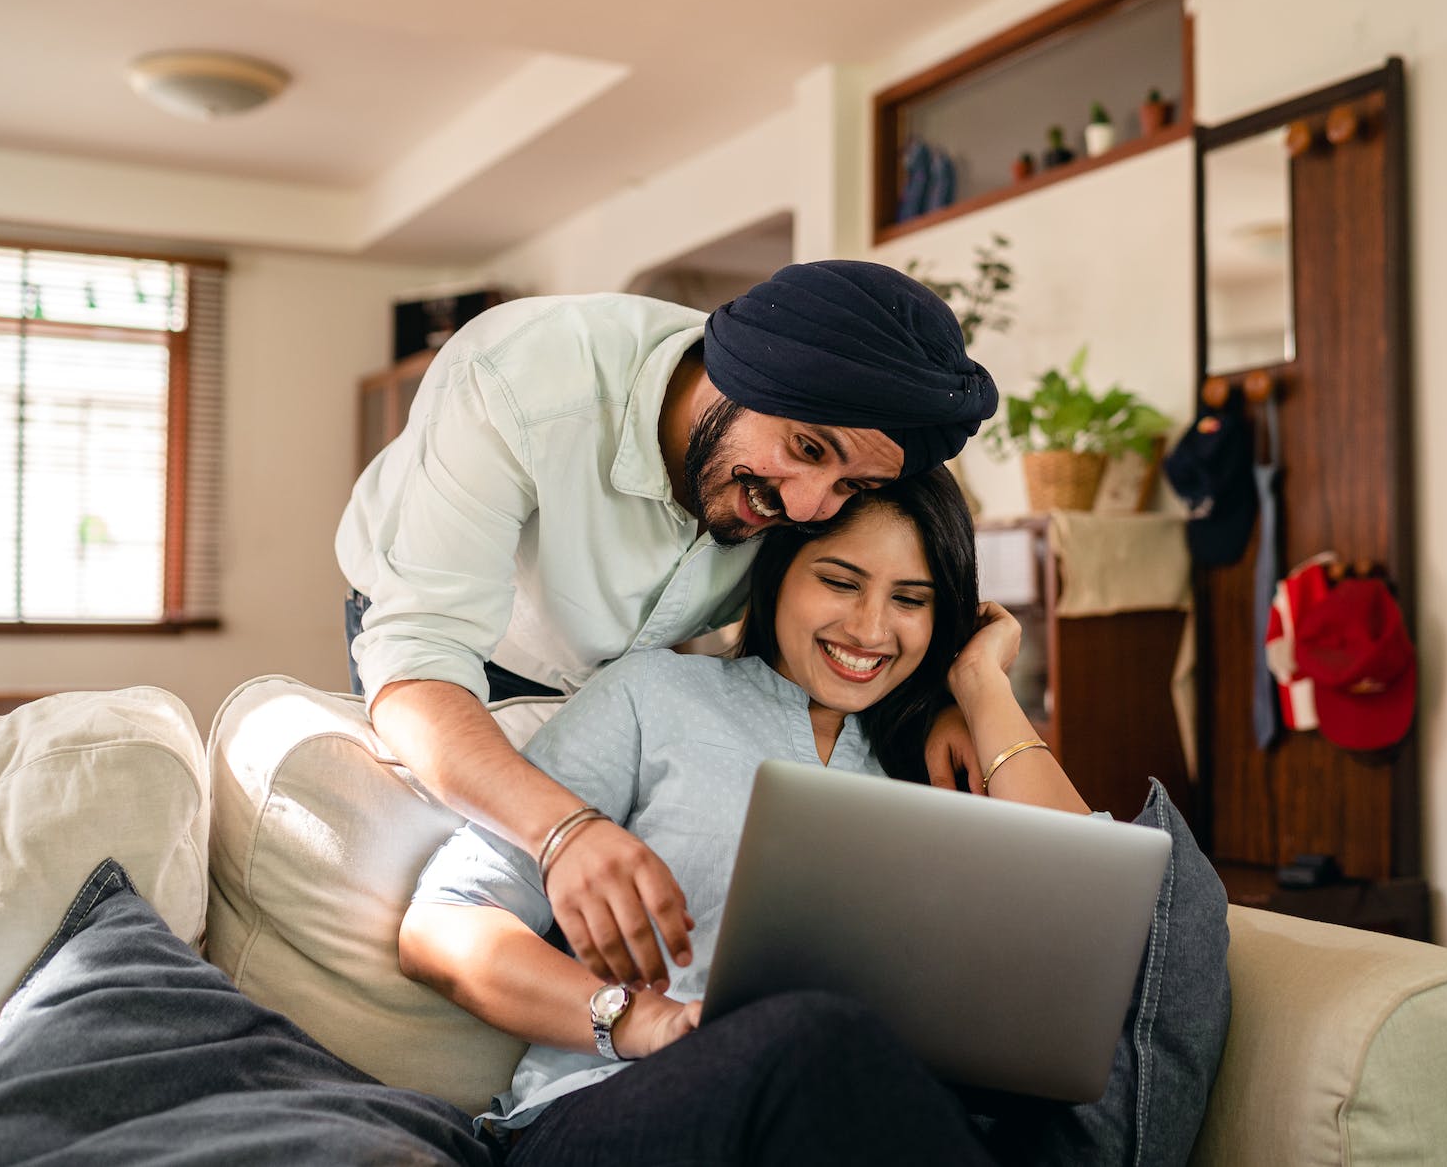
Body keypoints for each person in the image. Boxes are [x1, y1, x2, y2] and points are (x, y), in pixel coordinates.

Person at [338, 261, 998, 994]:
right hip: (464, 649)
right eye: (807, 449)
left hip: (629, 664)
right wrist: (564, 830)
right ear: (734, 376)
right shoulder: (521, 381)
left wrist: (946, 696)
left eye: (851, 485)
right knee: (476, 874)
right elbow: (421, 651)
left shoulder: (802, 493)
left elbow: (894, 580)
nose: (810, 505)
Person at [397, 468, 1093, 1164]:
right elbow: (444, 922)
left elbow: (1085, 909)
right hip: (614, 1105)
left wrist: (981, 684)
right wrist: (641, 1020)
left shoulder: (944, 756)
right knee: (815, 1035)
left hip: (868, 1120)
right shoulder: (651, 696)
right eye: (841, 581)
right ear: (778, 569)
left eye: (912, 599)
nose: (871, 628)